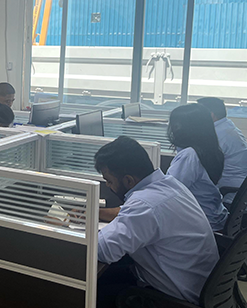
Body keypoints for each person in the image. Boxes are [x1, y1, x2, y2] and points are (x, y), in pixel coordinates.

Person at [96, 136, 219, 307]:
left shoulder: (145, 205)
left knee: (90, 291)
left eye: (109, 181)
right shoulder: (169, 185)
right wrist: (97, 213)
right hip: (200, 286)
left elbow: (102, 250)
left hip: (174, 298)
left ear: (128, 180)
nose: (108, 186)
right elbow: (131, 213)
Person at [166, 103, 228, 231]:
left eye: (177, 125)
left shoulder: (190, 155)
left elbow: (168, 192)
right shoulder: (210, 149)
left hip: (200, 222)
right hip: (214, 214)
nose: (174, 129)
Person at [197, 97, 247, 204]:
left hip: (228, 192)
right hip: (239, 189)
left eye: (198, 114)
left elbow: (201, 164)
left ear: (211, 115)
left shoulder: (218, 135)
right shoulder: (227, 127)